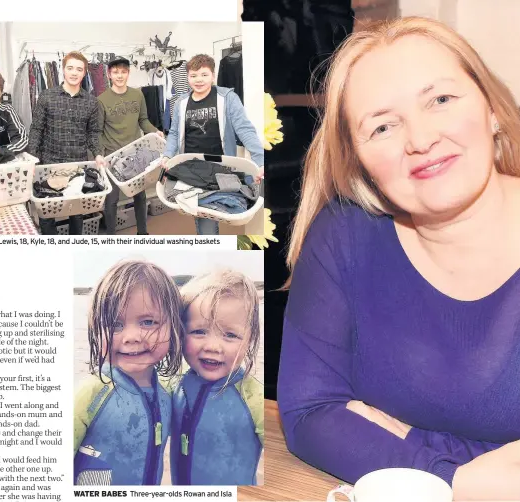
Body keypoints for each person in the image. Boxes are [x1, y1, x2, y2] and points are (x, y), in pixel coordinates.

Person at [278, 16, 520, 502]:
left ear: (492, 109)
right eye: (383, 126)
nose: (421, 140)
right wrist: (457, 479)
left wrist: (403, 442)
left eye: (441, 100)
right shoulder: (343, 234)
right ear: (358, 159)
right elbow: (309, 415)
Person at [73, 260, 183, 486]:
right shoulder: (91, 392)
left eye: (148, 322)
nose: (131, 336)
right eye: (115, 325)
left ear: (175, 328)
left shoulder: (168, 394)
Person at [171, 269, 264, 485]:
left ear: (250, 340)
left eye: (230, 335)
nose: (212, 346)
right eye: (199, 332)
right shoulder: (174, 387)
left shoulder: (253, 398)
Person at [160, 54, 264, 235]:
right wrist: (168, 155)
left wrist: (260, 160)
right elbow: (175, 132)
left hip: (221, 168)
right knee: (204, 219)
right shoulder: (180, 103)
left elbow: (245, 130)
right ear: (188, 77)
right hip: (193, 167)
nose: (198, 80)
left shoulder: (228, 98)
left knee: (229, 206)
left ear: (213, 76)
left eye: (204, 75)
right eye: (193, 76)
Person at [27, 51, 106, 235]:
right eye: (70, 68)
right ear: (63, 70)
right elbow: (36, 129)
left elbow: (93, 132)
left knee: (76, 213)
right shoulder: (46, 97)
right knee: (47, 214)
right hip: (49, 163)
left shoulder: (91, 102)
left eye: (79, 69)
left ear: (85, 73)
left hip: (77, 165)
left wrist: (98, 153)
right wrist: (32, 159)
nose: (74, 72)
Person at [97, 56, 164, 236]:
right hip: (113, 156)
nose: (119, 76)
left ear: (128, 73)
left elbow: (143, 120)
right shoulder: (101, 100)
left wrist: (154, 131)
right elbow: (98, 131)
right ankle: (111, 236)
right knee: (111, 199)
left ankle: (143, 233)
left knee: (139, 195)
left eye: (123, 72)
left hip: (136, 153)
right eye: (115, 72)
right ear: (109, 74)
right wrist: (100, 155)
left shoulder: (137, 94)